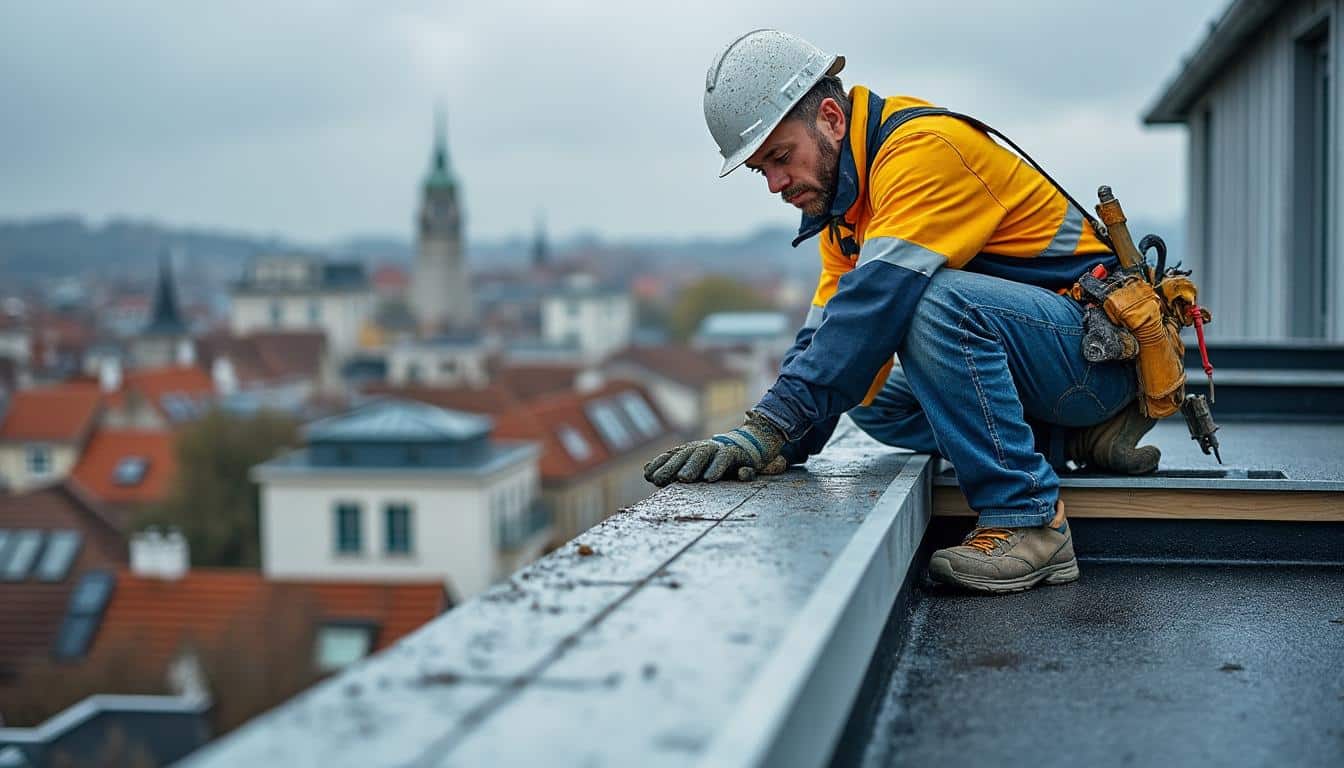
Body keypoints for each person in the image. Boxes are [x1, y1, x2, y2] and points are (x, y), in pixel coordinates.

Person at [643, 29, 1162, 594]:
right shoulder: (846, 207)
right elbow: (827, 335)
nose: (774, 184)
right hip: (1047, 367)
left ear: (832, 119)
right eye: (760, 170)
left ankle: (1029, 520)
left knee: (931, 302)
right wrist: (780, 441)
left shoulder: (924, 154)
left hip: (1094, 358)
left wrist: (771, 424)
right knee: (868, 399)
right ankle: (1068, 440)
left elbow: (872, 311)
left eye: (779, 157)